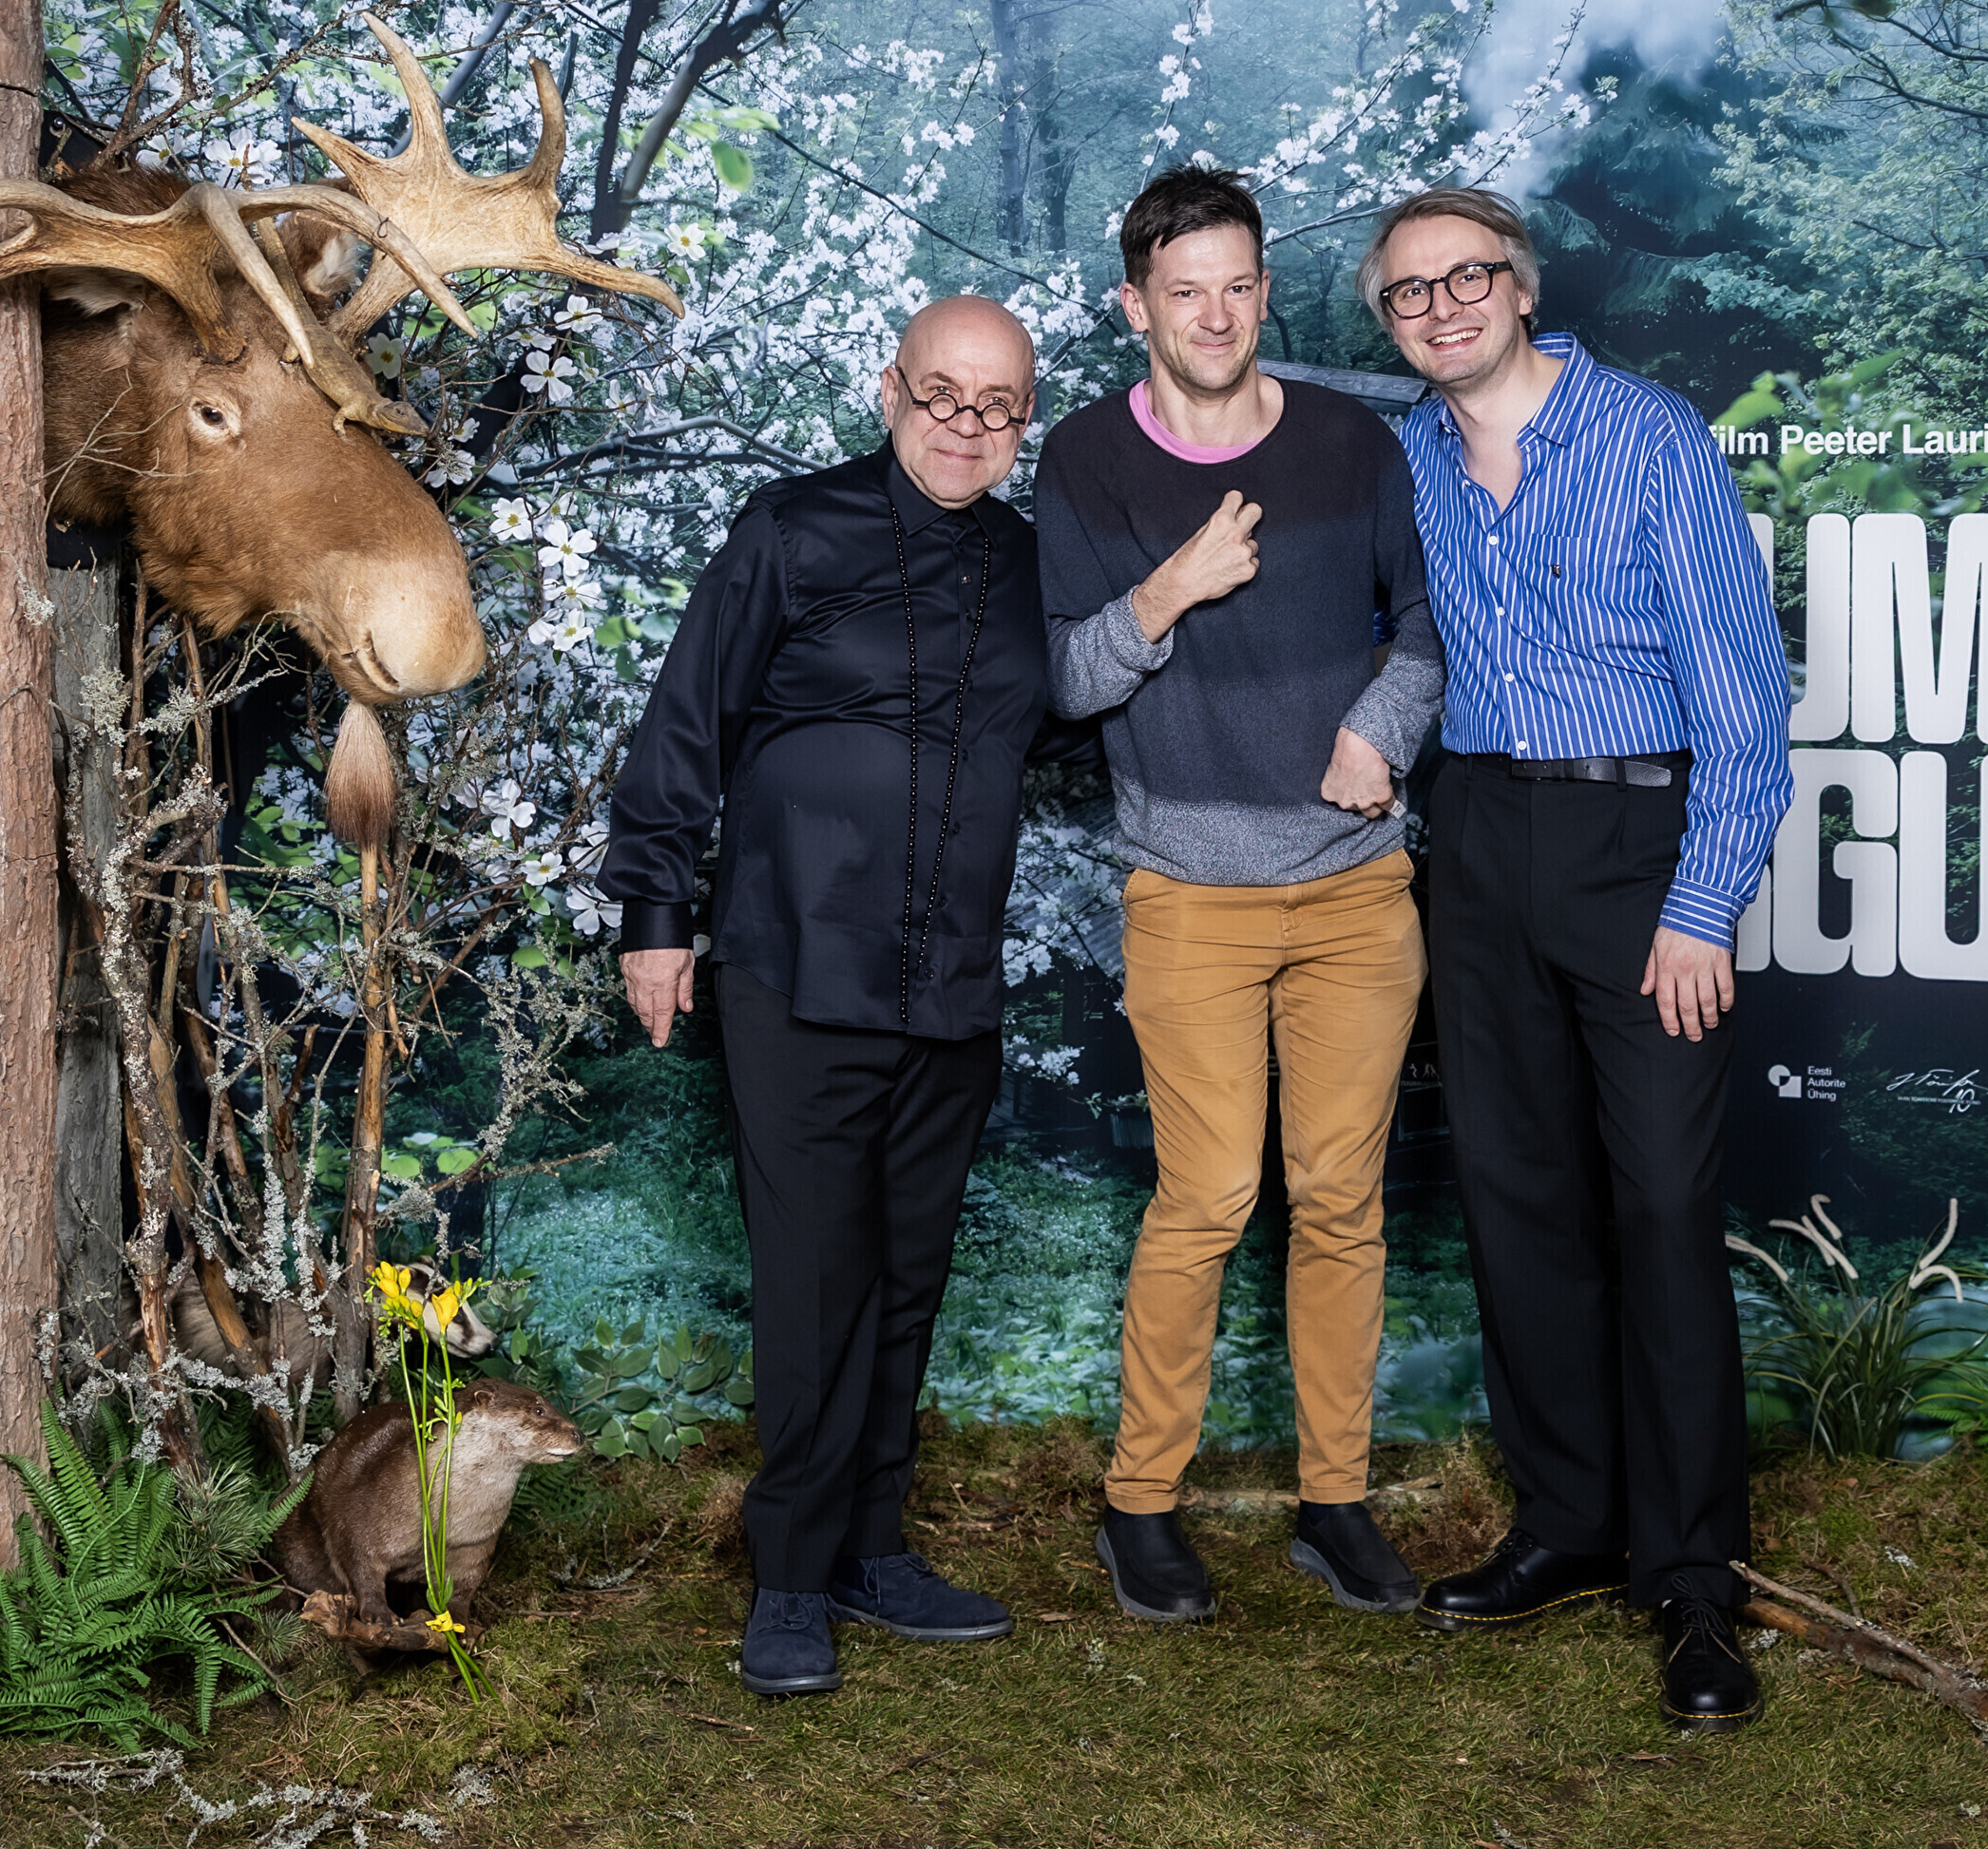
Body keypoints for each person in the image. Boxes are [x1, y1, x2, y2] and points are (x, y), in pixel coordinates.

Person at [1364, 187, 1790, 1732]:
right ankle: (1567, 1522)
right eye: (1410, 293)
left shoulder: (1651, 437)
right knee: (1518, 1192)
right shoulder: (1404, 455)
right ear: (1389, 323)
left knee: (1663, 1204)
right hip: (1477, 839)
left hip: (1637, 844)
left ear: (1523, 287)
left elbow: (1746, 698)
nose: (1442, 307)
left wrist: (1702, 904)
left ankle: (1692, 1576)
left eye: (1467, 277)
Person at [600, 295, 1049, 1698]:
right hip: (797, 963)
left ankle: (871, 1546)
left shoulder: (1030, 563)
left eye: (998, 405)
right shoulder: (790, 530)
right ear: (890, 390)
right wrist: (656, 919)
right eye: (943, 394)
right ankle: (789, 1577)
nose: (967, 426)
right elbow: (688, 722)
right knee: (813, 1279)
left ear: (1024, 421)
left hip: (950, 982)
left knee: (908, 1276)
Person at [1038, 167, 1443, 1624]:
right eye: (1183, 292)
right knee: (1206, 1197)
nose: (1214, 317)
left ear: (1266, 292)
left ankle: (1336, 1501)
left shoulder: (1351, 444)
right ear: (1134, 305)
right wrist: (1174, 585)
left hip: (1355, 895)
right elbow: (1066, 678)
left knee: (1340, 1202)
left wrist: (1378, 731)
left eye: (1236, 287)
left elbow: (1427, 629)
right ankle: (1141, 1503)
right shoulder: (1087, 460)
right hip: (1190, 899)